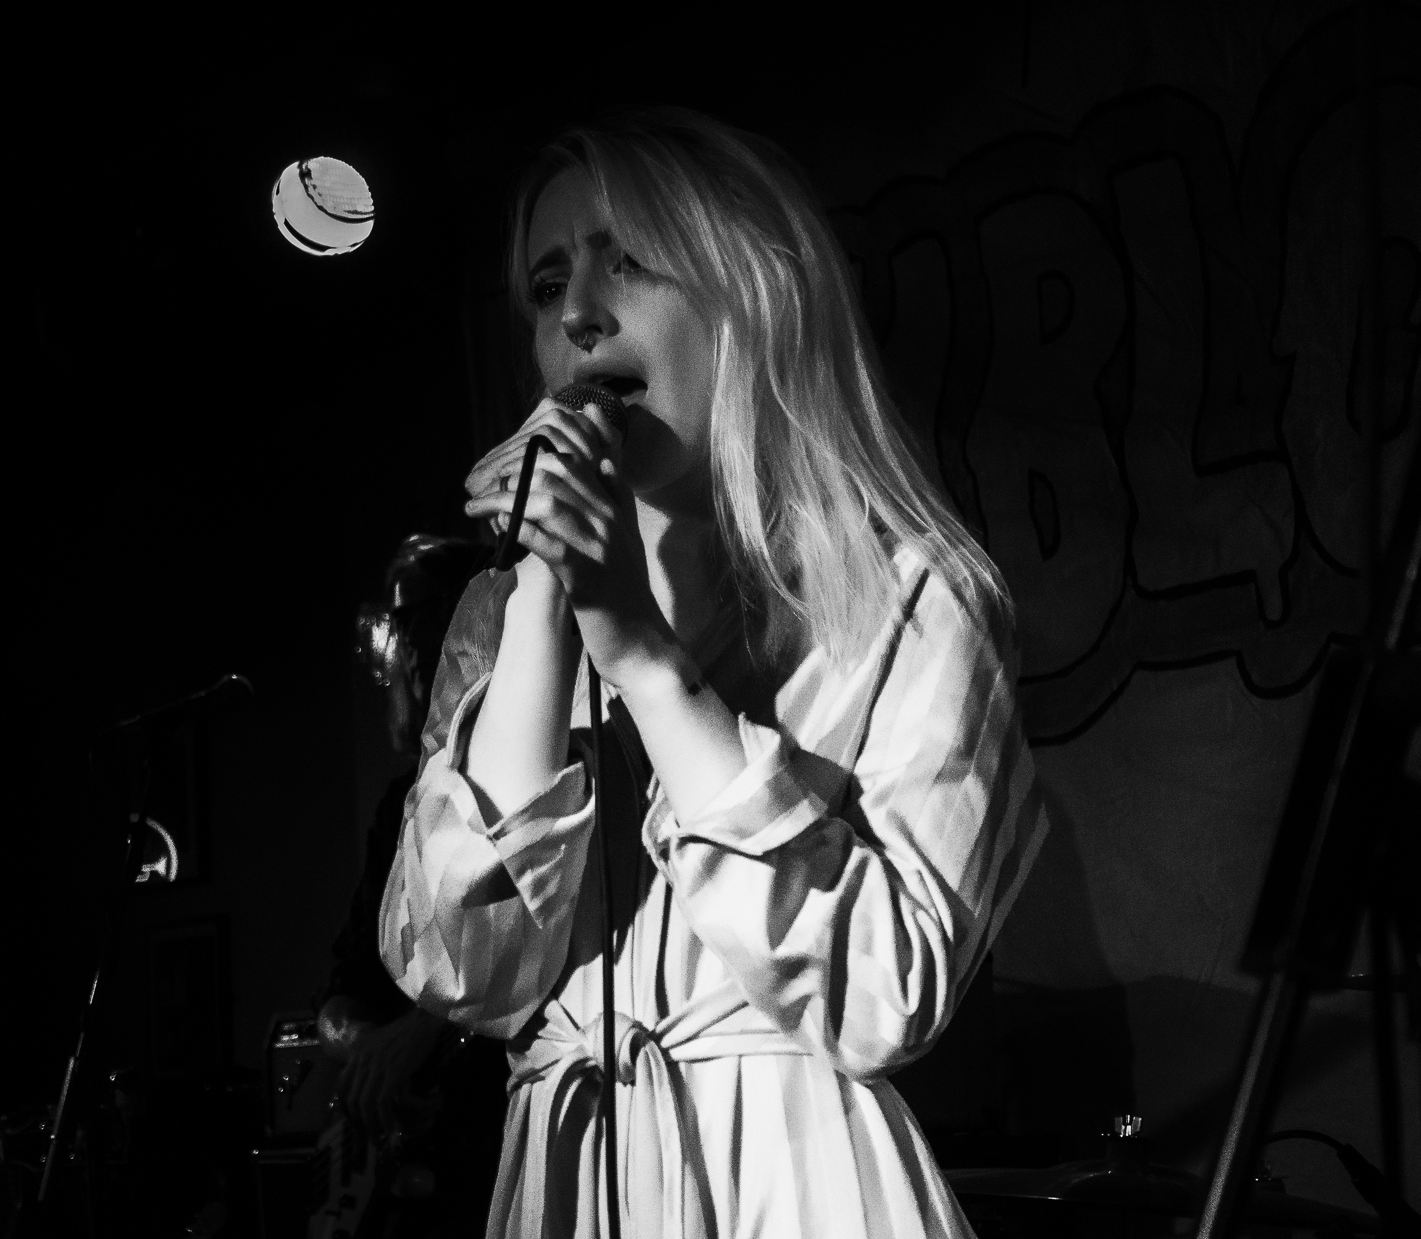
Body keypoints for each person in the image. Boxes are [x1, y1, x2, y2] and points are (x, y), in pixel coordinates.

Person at [378, 109, 1050, 1238]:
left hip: (795, 1180)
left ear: (752, 295)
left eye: (627, 261)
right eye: (547, 289)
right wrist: (549, 595)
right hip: (567, 1187)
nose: (581, 314)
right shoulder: (500, 618)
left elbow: (886, 992)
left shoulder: (906, 597)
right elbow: (468, 973)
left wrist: (639, 651)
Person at [319, 532, 507, 1236]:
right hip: (409, 1162)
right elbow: (343, 985)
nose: (416, 657)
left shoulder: (524, 771)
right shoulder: (398, 805)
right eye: (407, 637)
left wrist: (425, 1034)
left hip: (497, 1138)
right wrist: (365, 1045)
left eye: (435, 626)